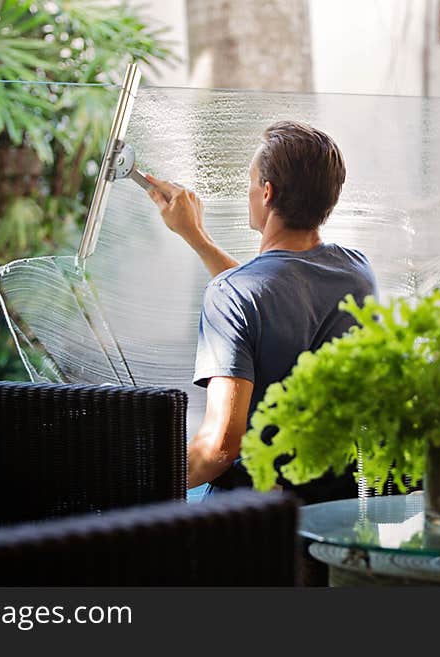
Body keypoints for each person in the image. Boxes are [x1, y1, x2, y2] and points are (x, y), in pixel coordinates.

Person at [145, 120, 377, 503]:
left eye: (251, 182)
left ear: (267, 193)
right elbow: (276, 290)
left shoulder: (233, 294)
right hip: (336, 507)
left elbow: (219, 448)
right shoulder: (358, 273)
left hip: (255, 518)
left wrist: (136, 479)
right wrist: (197, 238)